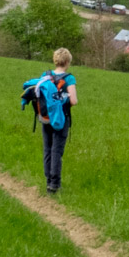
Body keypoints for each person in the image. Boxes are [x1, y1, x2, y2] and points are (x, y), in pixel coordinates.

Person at [39, 47, 78, 194]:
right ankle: (55, 184)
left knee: (47, 149)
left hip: (46, 118)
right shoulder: (69, 78)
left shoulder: (45, 75)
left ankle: (48, 181)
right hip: (61, 119)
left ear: (55, 60)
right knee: (57, 151)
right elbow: (73, 101)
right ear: (67, 61)